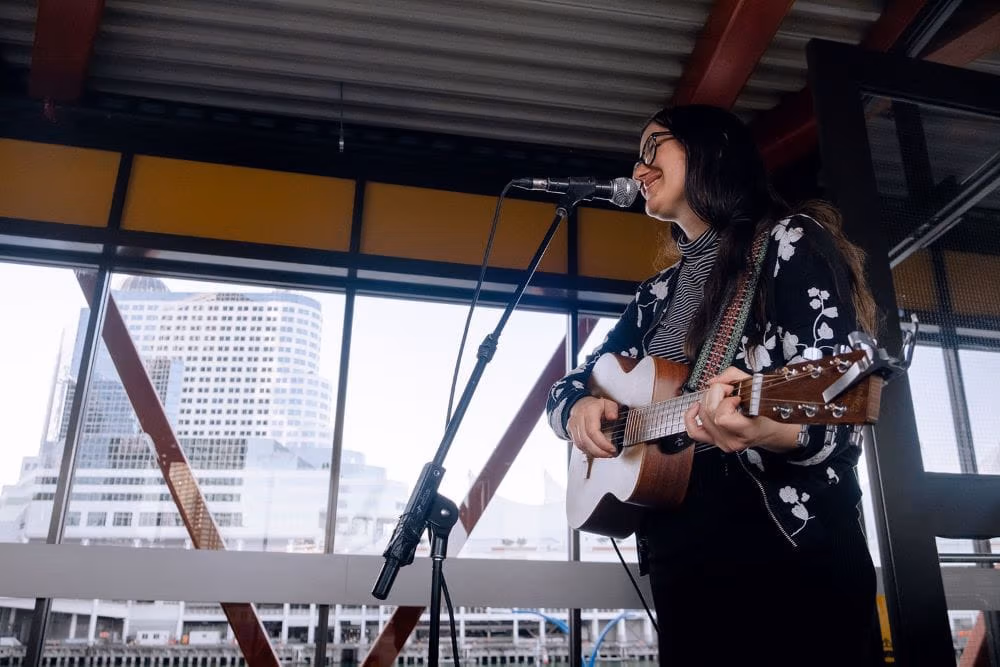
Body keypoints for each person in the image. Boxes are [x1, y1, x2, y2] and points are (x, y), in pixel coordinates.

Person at [546, 105, 882, 666]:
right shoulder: (656, 293)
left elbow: (842, 407)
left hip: (786, 552)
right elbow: (574, 382)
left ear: (711, 150)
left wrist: (767, 426)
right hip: (680, 551)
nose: (639, 165)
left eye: (655, 147)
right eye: (638, 154)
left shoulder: (790, 243)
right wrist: (578, 406)